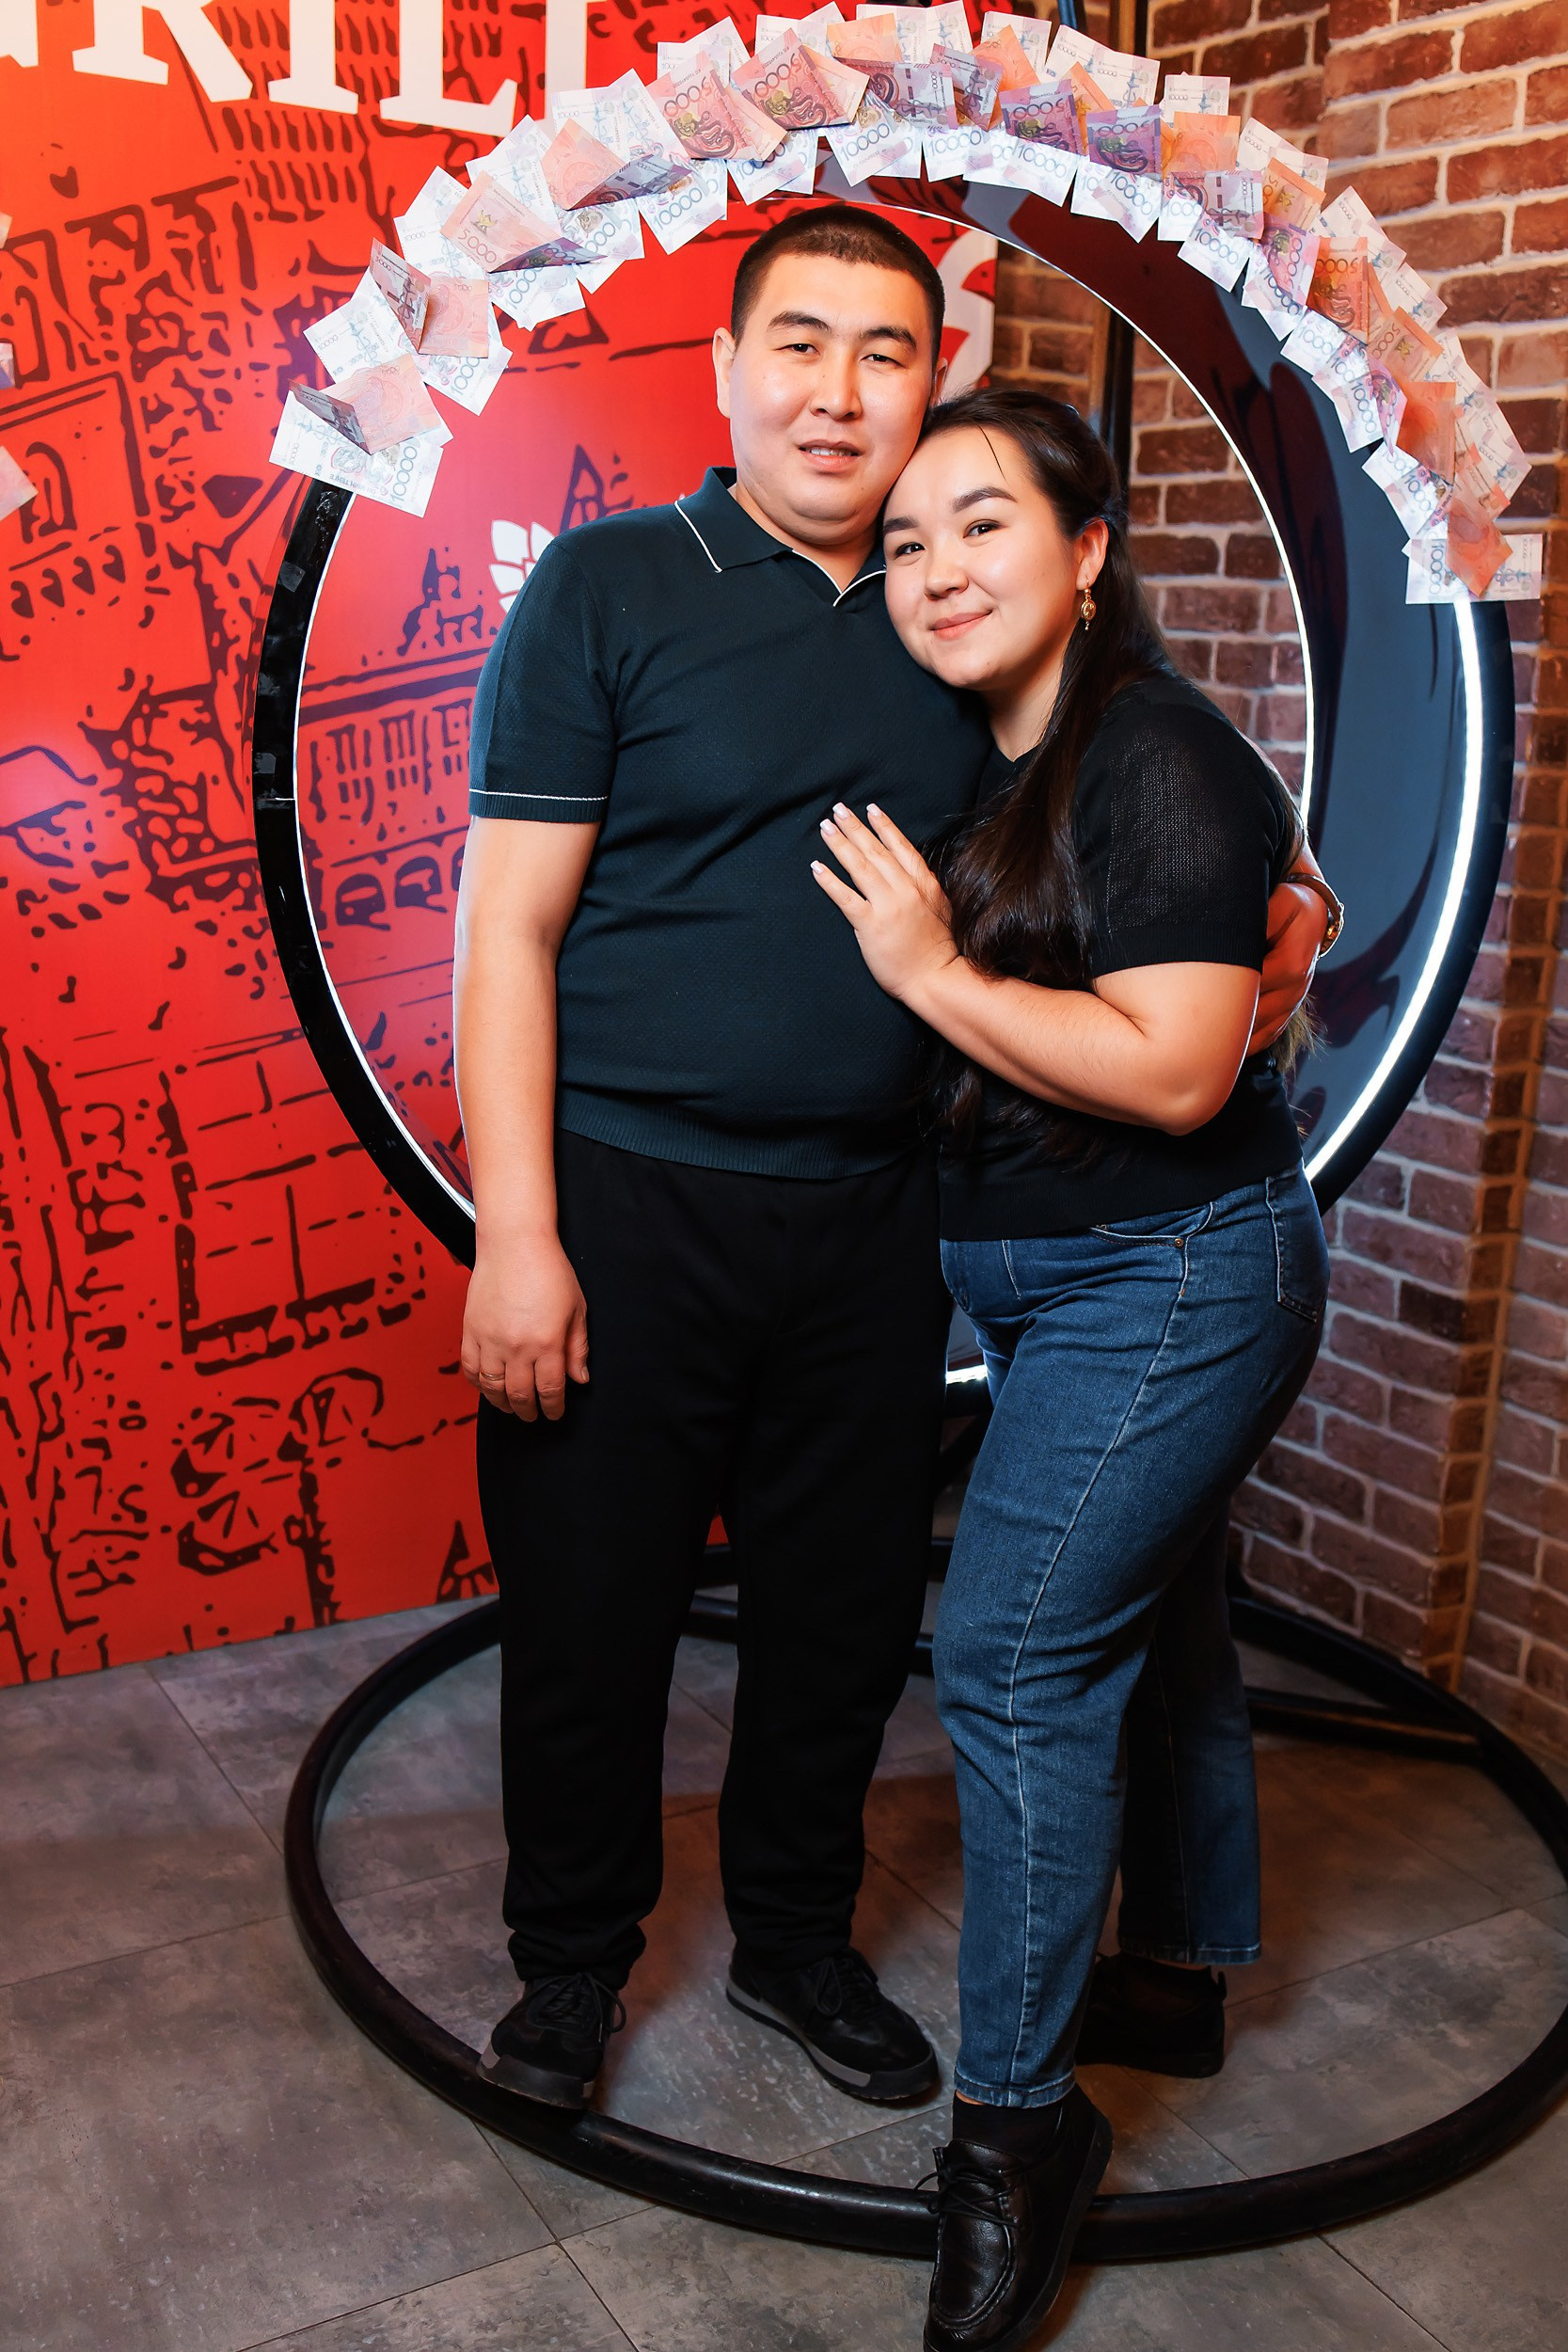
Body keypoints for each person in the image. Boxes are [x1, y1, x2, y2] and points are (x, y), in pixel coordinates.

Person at [452, 206, 1331, 2120]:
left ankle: (795, 1941)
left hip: (883, 1214)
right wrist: (518, 1231)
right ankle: (570, 1968)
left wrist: (1290, 893)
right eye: (801, 343)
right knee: (591, 1614)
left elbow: (1132, 769)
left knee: (841, 1622)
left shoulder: (956, 610)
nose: (838, 392)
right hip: (629, 1197)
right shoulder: (608, 584)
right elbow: (504, 926)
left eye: (886, 351)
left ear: (938, 374)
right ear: (727, 368)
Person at [814, 387, 1331, 2352]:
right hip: (1058, 1278)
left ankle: (1019, 2136)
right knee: (1156, 1608)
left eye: (982, 525)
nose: (936, 569)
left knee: (1020, 1652)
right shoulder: (1000, 748)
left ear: (1089, 549)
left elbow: (1180, 1070)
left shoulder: (1153, 744)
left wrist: (933, 976)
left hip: (1172, 1274)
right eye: (907, 543)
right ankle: (1174, 1970)